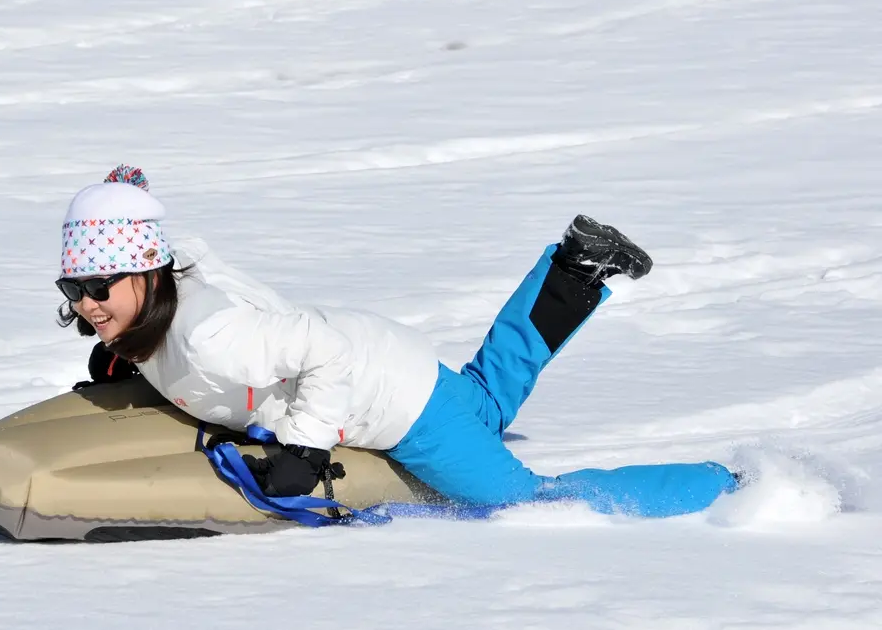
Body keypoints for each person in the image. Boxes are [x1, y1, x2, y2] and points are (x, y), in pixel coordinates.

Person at [54, 165, 741, 518]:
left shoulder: (210, 336)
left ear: (146, 271)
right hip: (390, 353)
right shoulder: (165, 295)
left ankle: (720, 486)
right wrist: (125, 348)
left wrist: (302, 449)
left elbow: (327, 352)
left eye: (100, 285)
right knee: (484, 403)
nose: (86, 303)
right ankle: (576, 267)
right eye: (72, 290)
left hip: (398, 402)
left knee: (527, 504)